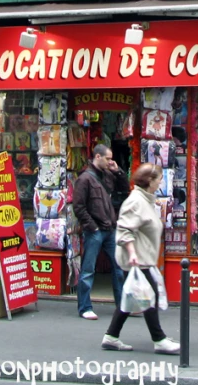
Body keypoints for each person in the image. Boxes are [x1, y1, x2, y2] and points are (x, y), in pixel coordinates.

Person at [101, 163, 180, 355]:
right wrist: (133, 253)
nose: (161, 181)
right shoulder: (136, 201)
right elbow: (124, 229)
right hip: (138, 258)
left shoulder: (145, 199)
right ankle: (159, 339)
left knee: (131, 297)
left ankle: (111, 336)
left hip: (142, 257)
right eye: (159, 178)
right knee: (148, 297)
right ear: (150, 181)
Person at [73, 144, 129, 320]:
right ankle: (84, 307)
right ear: (98, 157)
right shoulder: (84, 179)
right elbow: (78, 207)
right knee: (88, 269)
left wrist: (118, 170)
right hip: (96, 230)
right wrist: (93, 226)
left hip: (109, 228)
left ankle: (122, 306)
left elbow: (124, 188)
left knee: (119, 268)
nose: (110, 161)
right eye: (108, 158)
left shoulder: (107, 175)